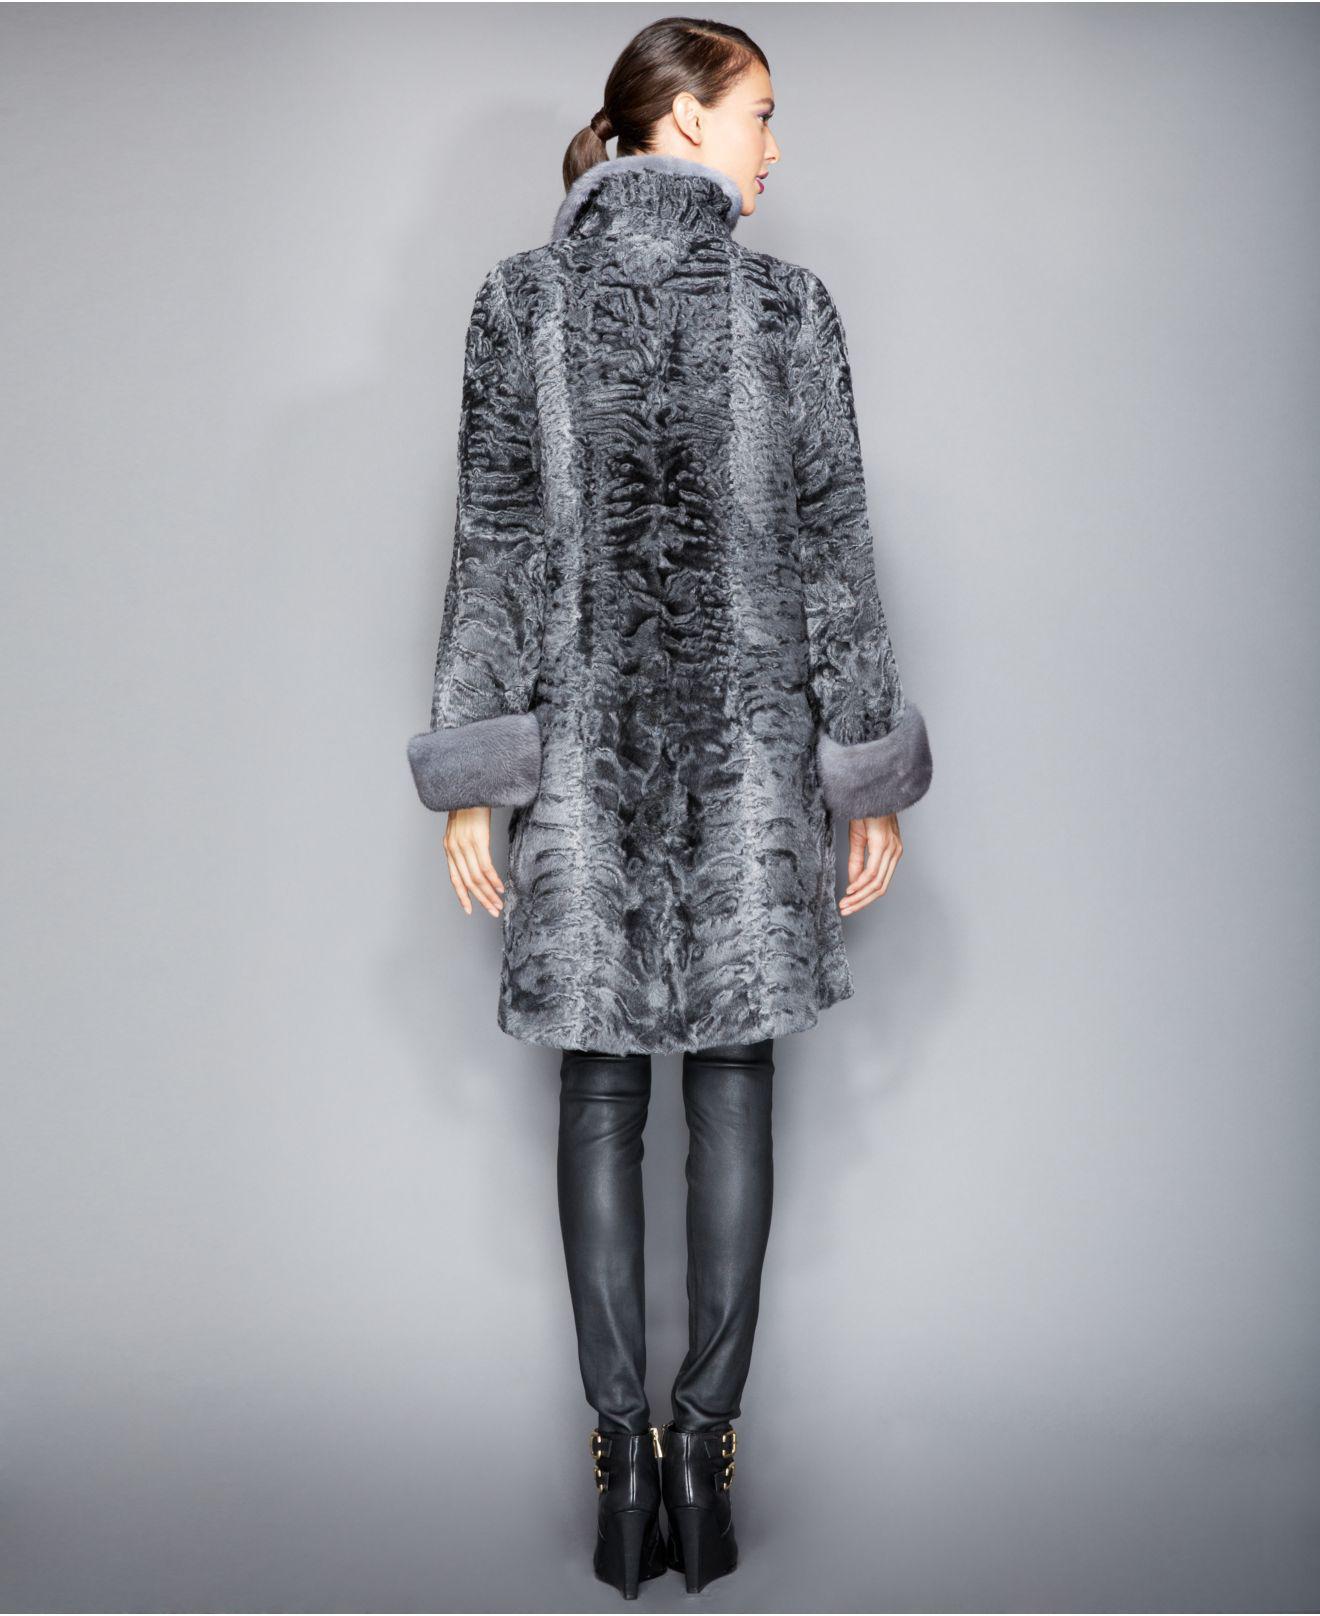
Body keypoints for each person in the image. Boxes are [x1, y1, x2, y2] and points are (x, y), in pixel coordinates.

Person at [406, 16, 933, 1600]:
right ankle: (704, 1451)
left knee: (599, 1094)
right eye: (759, 112)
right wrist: (863, 769)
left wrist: (477, 780)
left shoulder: (519, 301)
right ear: (684, 117)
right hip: (752, 761)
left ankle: (621, 1456)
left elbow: (495, 548)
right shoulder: (789, 310)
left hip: (583, 763)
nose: (774, 145)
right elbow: (835, 549)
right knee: (733, 1085)